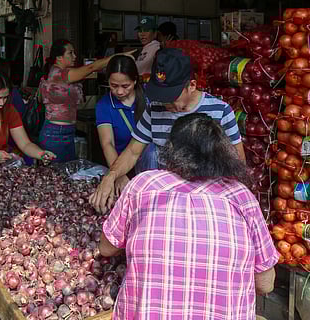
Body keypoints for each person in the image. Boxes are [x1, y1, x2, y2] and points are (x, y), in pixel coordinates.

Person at [99, 113, 278, 320]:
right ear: (223, 153)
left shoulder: (143, 186)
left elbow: (106, 247)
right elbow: (266, 284)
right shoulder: (241, 196)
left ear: (171, 150)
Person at [90, 48, 245, 213]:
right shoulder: (154, 109)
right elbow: (133, 152)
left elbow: (238, 162)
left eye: (171, 97)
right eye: (161, 96)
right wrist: (111, 176)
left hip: (207, 203)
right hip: (166, 202)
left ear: (191, 85)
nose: (165, 104)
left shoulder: (220, 111)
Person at [38, 39, 136, 162]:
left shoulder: (61, 73)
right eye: (70, 53)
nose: (74, 56)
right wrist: (117, 57)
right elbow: (91, 67)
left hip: (65, 131)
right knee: (56, 175)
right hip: (55, 133)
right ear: (59, 57)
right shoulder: (60, 74)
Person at [95, 55, 145, 193]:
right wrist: (118, 175)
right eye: (113, 86)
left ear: (135, 80)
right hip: (123, 169)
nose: (120, 91)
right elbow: (108, 143)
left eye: (125, 86)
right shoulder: (104, 105)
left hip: (152, 169)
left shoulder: (149, 98)